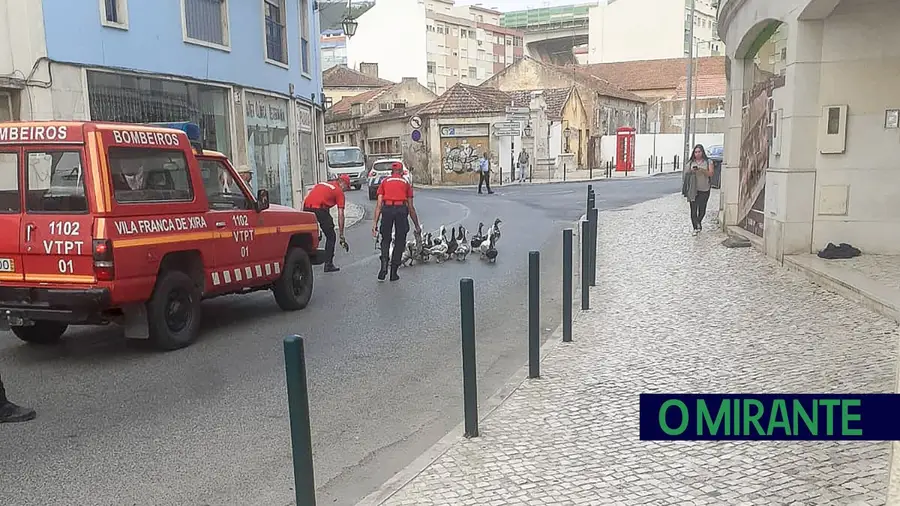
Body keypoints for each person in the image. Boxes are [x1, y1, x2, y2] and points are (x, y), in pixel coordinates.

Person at [372, 162, 422, 281]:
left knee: (385, 239)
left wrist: (374, 223)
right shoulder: (406, 183)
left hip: (387, 210)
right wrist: (417, 225)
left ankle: (384, 265)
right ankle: (393, 272)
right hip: (401, 210)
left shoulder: (384, 182)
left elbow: (379, 205)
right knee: (400, 241)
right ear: (401, 172)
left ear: (391, 172)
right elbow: (410, 207)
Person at [303, 174, 351, 273]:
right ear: (343, 183)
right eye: (347, 187)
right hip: (319, 209)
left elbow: (307, 198)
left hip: (307, 207)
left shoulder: (324, 184)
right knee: (331, 236)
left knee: (307, 235)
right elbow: (341, 214)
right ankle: (328, 264)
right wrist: (341, 235)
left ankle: (305, 260)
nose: (346, 190)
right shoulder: (339, 192)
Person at [683, 144, 714, 235]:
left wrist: (701, 170)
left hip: (704, 188)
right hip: (693, 189)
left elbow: (711, 174)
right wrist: (691, 171)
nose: (697, 154)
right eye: (696, 152)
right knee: (693, 209)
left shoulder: (708, 162)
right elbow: (686, 174)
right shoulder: (691, 162)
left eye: (699, 152)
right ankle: (695, 227)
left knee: (702, 209)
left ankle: (698, 222)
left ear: (702, 152)